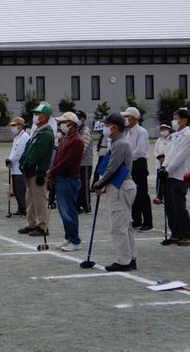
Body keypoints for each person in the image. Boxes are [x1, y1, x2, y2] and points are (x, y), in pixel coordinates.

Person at [92, 113, 137, 272]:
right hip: (123, 186)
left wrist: (99, 183)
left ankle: (123, 261)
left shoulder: (119, 144)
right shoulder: (119, 142)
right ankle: (131, 258)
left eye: (107, 124)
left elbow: (113, 167)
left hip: (120, 187)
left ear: (114, 127)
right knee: (126, 225)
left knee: (118, 226)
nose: (104, 127)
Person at [47, 112, 84, 252]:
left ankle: (75, 240)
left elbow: (67, 162)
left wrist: (52, 172)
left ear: (71, 123)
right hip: (61, 178)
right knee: (64, 212)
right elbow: (57, 158)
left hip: (69, 178)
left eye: (64, 122)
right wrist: (52, 173)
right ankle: (69, 237)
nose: (61, 124)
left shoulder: (77, 141)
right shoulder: (66, 138)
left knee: (69, 211)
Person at [160, 108, 190, 246]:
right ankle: (176, 233)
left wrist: (168, 169)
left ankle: (188, 235)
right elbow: (170, 153)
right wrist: (164, 166)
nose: (173, 121)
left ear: (184, 120)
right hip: (170, 174)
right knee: (170, 206)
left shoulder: (189, 136)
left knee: (179, 206)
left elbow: (181, 156)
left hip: (180, 175)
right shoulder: (176, 135)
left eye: (176, 118)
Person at [18, 103, 55, 236]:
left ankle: (42, 226)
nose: (35, 117)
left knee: (39, 200)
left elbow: (38, 153)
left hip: (38, 171)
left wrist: (26, 163)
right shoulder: (37, 131)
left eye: (38, 114)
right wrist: (23, 161)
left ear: (45, 117)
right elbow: (28, 148)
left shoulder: (46, 133)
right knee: (30, 199)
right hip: (30, 170)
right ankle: (31, 223)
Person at [121, 107, 152, 232]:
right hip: (130, 165)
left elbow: (140, 150)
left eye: (127, 117)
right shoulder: (128, 132)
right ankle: (136, 219)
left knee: (142, 194)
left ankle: (148, 222)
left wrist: (126, 158)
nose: (125, 119)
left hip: (139, 164)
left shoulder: (141, 131)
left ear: (133, 118)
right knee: (132, 193)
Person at [7, 116, 29, 216]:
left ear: (20, 125)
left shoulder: (24, 137)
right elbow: (13, 151)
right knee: (16, 190)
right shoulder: (17, 137)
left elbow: (20, 152)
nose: (13, 127)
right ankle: (20, 208)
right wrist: (9, 160)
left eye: (14, 125)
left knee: (21, 190)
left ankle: (25, 209)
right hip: (14, 167)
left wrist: (11, 160)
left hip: (21, 168)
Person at [76, 110, 93, 214]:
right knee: (79, 186)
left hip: (85, 163)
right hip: (79, 163)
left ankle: (87, 206)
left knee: (85, 186)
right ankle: (79, 206)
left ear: (83, 119)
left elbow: (83, 149)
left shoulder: (85, 130)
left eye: (78, 117)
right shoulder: (78, 129)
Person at [153, 123, 173, 204]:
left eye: (165, 129)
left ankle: (168, 196)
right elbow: (155, 151)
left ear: (169, 129)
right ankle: (159, 197)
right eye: (161, 129)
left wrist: (165, 158)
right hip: (159, 162)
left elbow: (172, 150)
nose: (163, 131)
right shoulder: (159, 140)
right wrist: (159, 157)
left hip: (168, 162)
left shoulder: (173, 139)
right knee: (159, 181)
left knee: (168, 180)